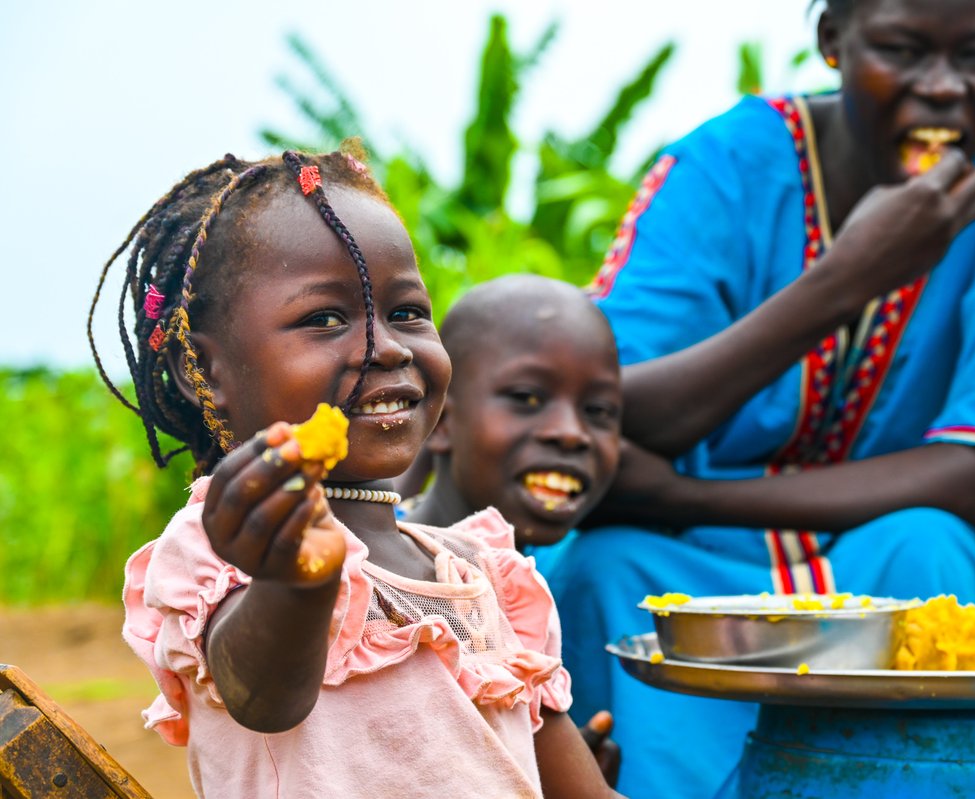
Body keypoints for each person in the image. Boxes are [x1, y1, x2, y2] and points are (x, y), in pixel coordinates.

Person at [543, 0, 975, 796]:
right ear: (833, 39)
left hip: (885, 549)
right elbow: (592, 419)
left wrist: (684, 494)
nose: (943, 87)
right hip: (687, 559)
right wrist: (846, 279)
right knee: (607, 566)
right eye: (904, 48)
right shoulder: (723, 166)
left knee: (932, 550)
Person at [89, 150, 620, 798]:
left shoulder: (484, 574)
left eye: (406, 312)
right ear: (205, 369)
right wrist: (297, 583)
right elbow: (261, 695)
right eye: (325, 319)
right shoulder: (227, 552)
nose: (387, 347)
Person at [404, 273, 624, 783]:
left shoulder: (532, 579)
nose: (570, 433)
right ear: (440, 421)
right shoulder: (391, 585)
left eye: (598, 411)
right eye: (526, 397)